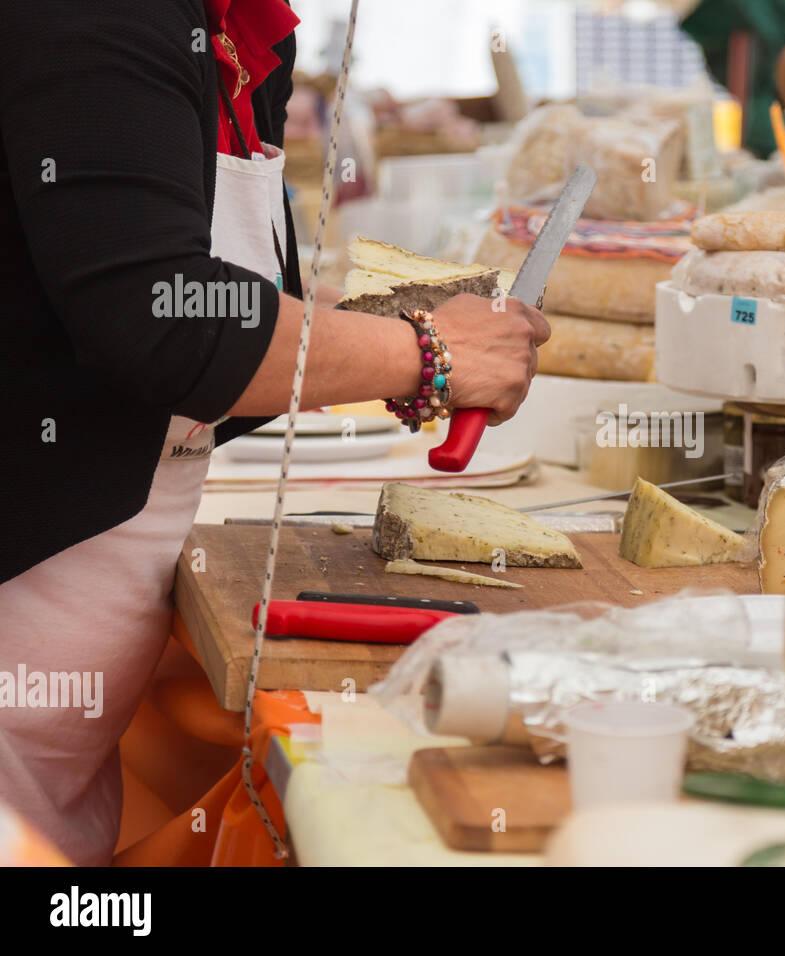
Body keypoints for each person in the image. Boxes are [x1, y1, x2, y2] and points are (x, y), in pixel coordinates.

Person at [0, 0, 547, 865]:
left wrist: (396, 345)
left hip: (68, 703)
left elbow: (230, 317)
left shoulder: (248, 29)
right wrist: (424, 353)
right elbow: (161, 320)